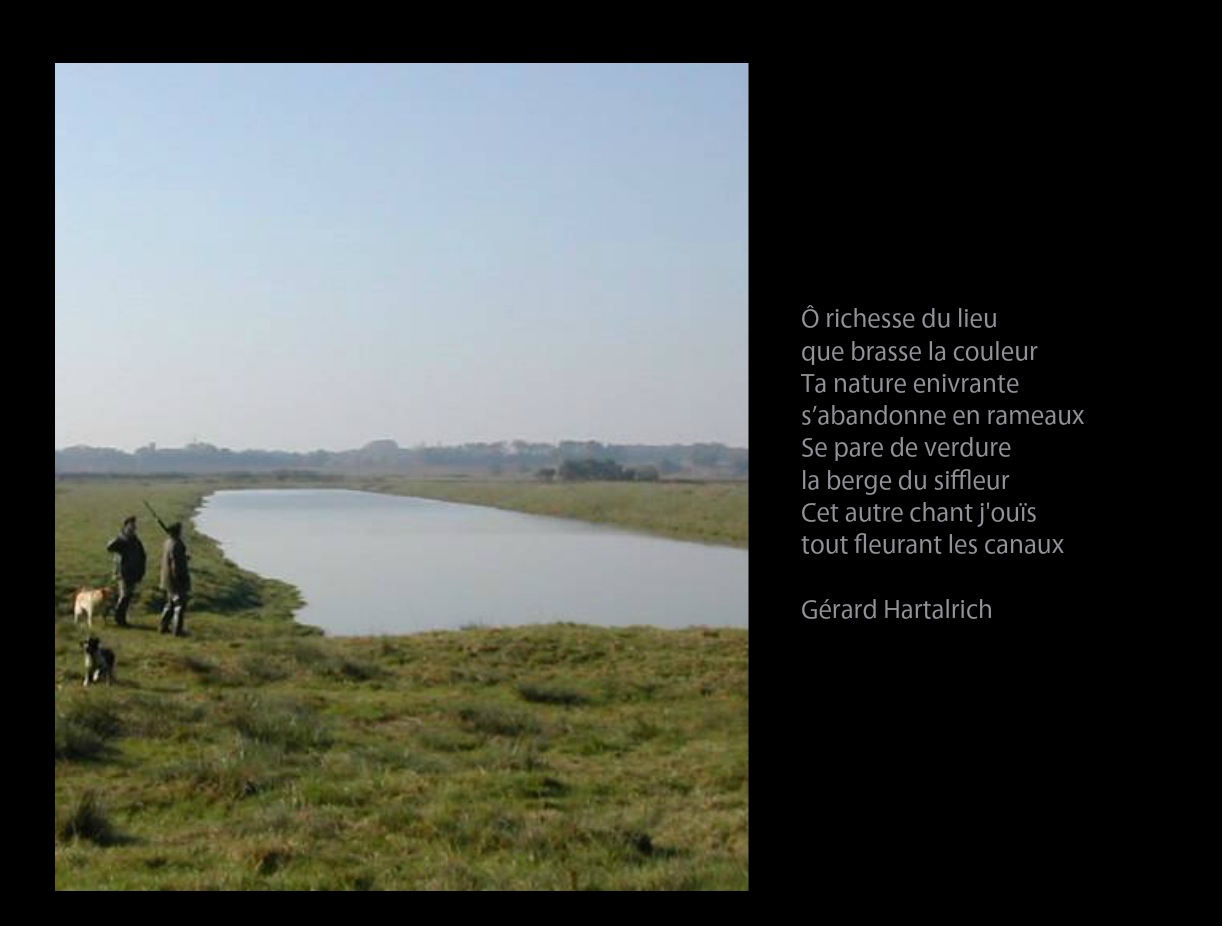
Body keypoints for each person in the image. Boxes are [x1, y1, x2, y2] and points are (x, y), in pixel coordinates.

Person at [105, 515, 146, 627]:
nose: (133, 527)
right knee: (124, 596)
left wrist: (141, 571)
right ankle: (118, 619)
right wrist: (122, 537)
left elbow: (142, 556)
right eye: (131, 525)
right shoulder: (122, 539)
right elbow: (109, 547)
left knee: (127, 597)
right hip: (122, 573)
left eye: (134, 525)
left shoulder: (136, 541)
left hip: (133, 573)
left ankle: (120, 617)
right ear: (126, 526)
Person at [159, 522, 192, 636]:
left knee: (170, 603)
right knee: (179, 605)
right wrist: (181, 577)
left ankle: (163, 626)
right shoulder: (177, 544)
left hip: (167, 578)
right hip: (176, 579)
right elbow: (176, 564)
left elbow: (173, 558)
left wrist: (184, 557)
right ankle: (178, 630)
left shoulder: (168, 542)